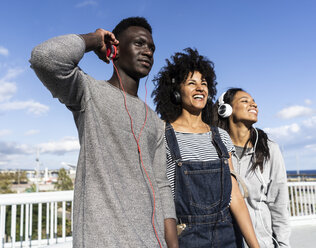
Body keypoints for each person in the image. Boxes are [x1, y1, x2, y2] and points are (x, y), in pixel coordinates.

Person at [30, 17, 178, 248]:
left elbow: (161, 185)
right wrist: (95, 39)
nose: (148, 52)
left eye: (151, 48)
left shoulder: (156, 121)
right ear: (115, 49)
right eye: (139, 44)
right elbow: (45, 57)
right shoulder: (89, 91)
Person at [152, 48, 260, 247]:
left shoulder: (220, 136)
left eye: (204, 83)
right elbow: (161, 200)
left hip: (228, 235)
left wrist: (255, 245)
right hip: (185, 238)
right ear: (176, 92)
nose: (200, 88)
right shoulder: (162, 135)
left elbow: (234, 196)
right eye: (191, 83)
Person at [214, 88, 290, 247]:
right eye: (244, 101)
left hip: (263, 243)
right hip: (225, 243)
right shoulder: (215, 148)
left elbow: (279, 204)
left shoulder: (270, 149)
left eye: (253, 101)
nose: (253, 104)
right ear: (226, 109)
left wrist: (283, 244)